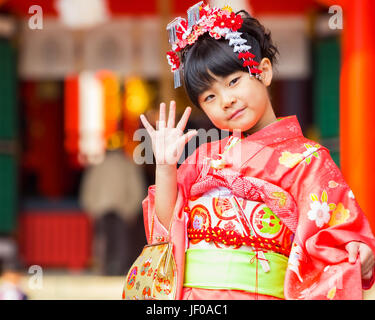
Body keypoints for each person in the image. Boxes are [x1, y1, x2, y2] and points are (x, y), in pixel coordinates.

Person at [139, 3, 375, 300]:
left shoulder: (309, 161)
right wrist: (164, 166)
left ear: (263, 71)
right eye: (209, 96)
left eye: (234, 81)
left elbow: (339, 241)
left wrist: (358, 252)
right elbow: (165, 229)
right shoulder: (203, 158)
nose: (225, 100)